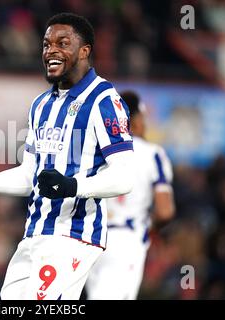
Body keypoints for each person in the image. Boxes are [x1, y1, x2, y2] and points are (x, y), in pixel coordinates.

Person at [0, 13, 135, 300]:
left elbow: (124, 176)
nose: (51, 51)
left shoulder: (104, 100)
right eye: (46, 44)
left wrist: (72, 186)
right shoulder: (41, 105)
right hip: (34, 235)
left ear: (84, 51)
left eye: (62, 43)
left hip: (73, 237)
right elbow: (30, 176)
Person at [85, 91, 175, 300]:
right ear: (134, 121)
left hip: (92, 238)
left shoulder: (95, 150)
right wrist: (148, 226)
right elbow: (165, 211)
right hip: (127, 238)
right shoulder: (152, 154)